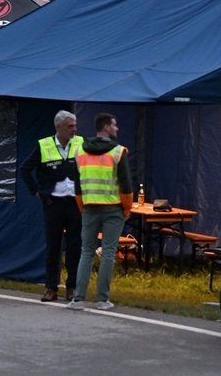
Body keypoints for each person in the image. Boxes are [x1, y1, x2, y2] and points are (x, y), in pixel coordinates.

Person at [67, 112, 134, 311]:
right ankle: (102, 300)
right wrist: (127, 208)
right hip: (112, 208)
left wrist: (82, 206)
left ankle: (78, 299)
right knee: (108, 253)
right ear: (106, 127)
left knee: (86, 251)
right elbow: (126, 185)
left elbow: (77, 185)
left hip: (88, 207)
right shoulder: (118, 152)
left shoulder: (79, 151)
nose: (117, 129)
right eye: (114, 125)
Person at [19, 110, 83, 303]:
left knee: (74, 247)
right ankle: (51, 288)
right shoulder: (44, 145)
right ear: (59, 127)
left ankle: (72, 288)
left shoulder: (81, 143)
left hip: (75, 203)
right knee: (53, 247)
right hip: (53, 202)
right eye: (70, 126)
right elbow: (25, 169)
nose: (74, 129)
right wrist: (37, 192)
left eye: (75, 126)